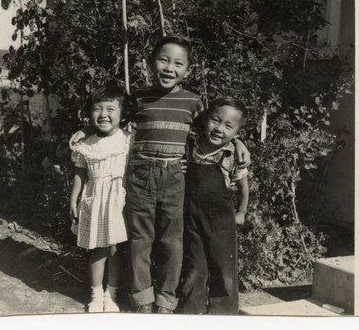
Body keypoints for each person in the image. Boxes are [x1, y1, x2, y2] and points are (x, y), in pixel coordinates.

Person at [70, 36, 250, 313]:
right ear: (150, 63)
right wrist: (86, 130)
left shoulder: (193, 103)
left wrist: (238, 142)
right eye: (163, 60)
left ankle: (166, 299)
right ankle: (143, 299)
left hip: (175, 177)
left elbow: (215, 133)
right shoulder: (139, 98)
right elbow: (111, 124)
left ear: (187, 71)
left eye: (178, 63)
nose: (169, 67)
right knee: (141, 241)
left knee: (171, 241)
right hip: (141, 176)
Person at [180, 96, 249, 315]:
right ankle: (192, 308)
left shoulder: (232, 155)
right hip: (192, 215)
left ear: (237, 132)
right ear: (206, 119)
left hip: (221, 220)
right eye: (215, 121)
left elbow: (243, 187)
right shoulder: (191, 146)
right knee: (195, 263)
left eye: (228, 126)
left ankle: (223, 312)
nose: (220, 129)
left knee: (223, 265)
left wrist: (241, 211)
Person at [69, 86, 133, 313]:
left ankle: (111, 295)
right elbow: (80, 174)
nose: (103, 114)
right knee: (99, 249)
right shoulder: (85, 145)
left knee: (115, 249)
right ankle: (96, 295)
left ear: (123, 114)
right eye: (97, 109)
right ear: (89, 114)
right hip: (95, 199)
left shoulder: (127, 140)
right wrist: (74, 198)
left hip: (119, 200)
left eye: (110, 109)